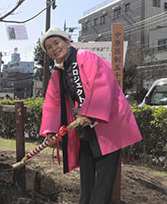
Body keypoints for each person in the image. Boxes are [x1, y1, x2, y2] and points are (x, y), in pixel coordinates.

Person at [39, 26, 142, 204]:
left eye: (57, 42)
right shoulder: (58, 73)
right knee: (86, 179)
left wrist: (90, 113)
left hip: (107, 124)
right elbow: (53, 104)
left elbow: (103, 83)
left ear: (68, 42)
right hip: (85, 129)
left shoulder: (85, 57)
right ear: (47, 54)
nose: (54, 48)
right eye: (49, 47)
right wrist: (51, 132)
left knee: (103, 181)